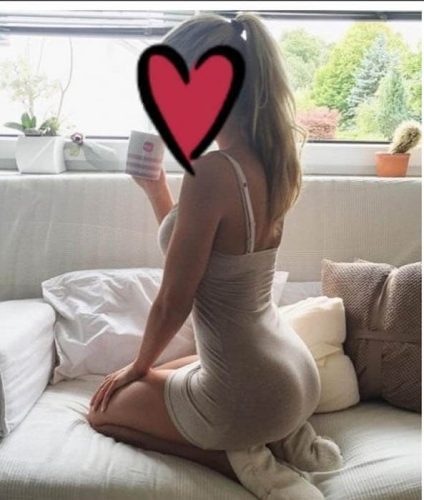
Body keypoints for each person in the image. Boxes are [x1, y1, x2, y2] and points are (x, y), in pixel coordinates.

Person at [86, 12, 337, 487]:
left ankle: (238, 461)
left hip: (251, 394)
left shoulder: (212, 171)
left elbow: (173, 299)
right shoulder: (272, 160)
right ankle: (273, 436)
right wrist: (156, 188)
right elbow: (198, 253)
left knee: (102, 411)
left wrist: (137, 367)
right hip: (294, 376)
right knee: (170, 370)